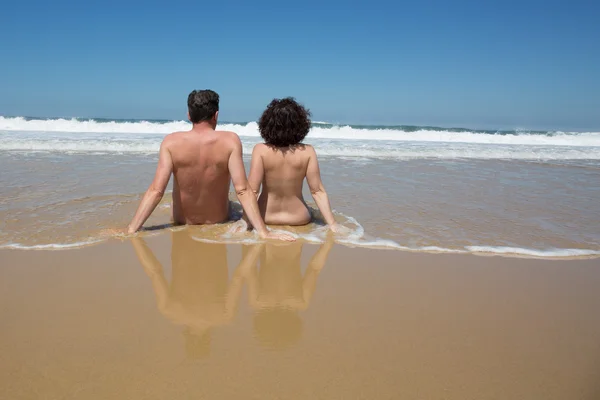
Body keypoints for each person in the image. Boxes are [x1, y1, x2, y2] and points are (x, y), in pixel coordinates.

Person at [126, 90, 294, 241]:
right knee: (232, 204)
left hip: (182, 221)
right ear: (216, 115)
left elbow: (156, 190)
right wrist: (264, 232)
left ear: (189, 115)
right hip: (218, 221)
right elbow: (242, 189)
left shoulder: (171, 142)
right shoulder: (230, 141)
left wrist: (131, 229)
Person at [243, 97, 339, 231]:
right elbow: (317, 191)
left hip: (266, 216)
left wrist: (244, 221)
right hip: (299, 218)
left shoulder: (261, 150)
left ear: (268, 124)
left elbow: (252, 191)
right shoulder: (307, 151)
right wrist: (333, 224)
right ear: (300, 125)